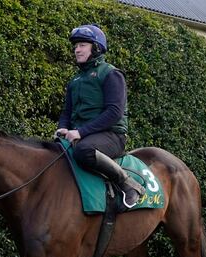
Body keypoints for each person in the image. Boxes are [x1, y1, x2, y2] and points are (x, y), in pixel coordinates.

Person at [56, 24, 145, 208]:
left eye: (82, 45)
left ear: (95, 47)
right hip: (85, 134)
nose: (77, 49)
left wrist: (80, 132)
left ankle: (128, 184)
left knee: (83, 151)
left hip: (112, 135)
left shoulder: (111, 74)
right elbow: (66, 111)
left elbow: (114, 113)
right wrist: (62, 127)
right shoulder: (75, 80)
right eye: (76, 46)